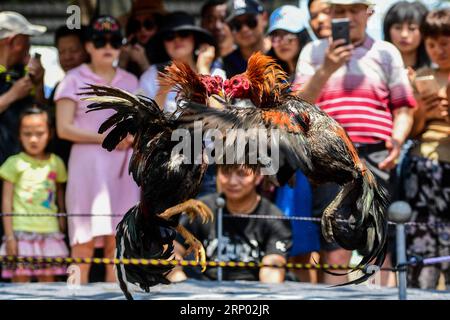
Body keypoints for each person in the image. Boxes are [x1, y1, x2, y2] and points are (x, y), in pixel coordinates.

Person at [295, 0, 416, 285]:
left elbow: (404, 107)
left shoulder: (386, 52)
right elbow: (298, 106)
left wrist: (397, 141)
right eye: (339, 11)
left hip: (378, 154)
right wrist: (326, 67)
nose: (347, 17)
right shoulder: (313, 52)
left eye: (354, 10)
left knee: (378, 237)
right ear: (330, 14)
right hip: (329, 157)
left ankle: (382, 296)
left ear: (368, 12)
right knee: (334, 237)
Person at [54, 15, 140, 284]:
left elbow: (138, 127)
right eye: (99, 40)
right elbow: (63, 129)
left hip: (122, 173)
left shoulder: (131, 81)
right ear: (88, 46)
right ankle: (72, 295)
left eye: (114, 41)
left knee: (119, 248)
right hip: (87, 172)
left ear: (121, 45)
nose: (107, 46)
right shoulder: (72, 79)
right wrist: (106, 137)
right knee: (82, 245)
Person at [169, 165, 292, 283]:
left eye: (242, 174)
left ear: (258, 176)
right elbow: (173, 248)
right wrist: (181, 281)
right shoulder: (201, 210)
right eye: (226, 173)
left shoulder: (274, 218)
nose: (232, 181)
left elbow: (273, 269)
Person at [404, 8, 450, 289]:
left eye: (444, 44)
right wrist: (423, 110)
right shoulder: (421, 76)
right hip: (423, 166)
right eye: (431, 45)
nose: (438, 51)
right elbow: (414, 130)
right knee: (421, 244)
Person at [0, 107, 68, 283]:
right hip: (21, 232)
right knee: (20, 285)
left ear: (50, 133)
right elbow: (6, 202)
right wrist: (9, 237)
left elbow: (60, 192)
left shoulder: (56, 163)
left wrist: (62, 219)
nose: (33, 139)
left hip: (50, 232)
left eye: (39, 133)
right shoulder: (14, 163)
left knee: (47, 284)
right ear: (18, 135)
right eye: (27, 133)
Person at [140, 11, 216, 113]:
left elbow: (221, 116)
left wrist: (203, 69)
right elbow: (144, 121)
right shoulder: (151, 76)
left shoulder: (214, 72)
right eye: (169, 36)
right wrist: (164, 88)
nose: (177, 40)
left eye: (183, 34)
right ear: (163, 44)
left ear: (194, 38)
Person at [0, 11, 47, 166]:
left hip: (21, 169)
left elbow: (39, 112)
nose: (29, 46)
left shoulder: (23, 73)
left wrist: (39, 83)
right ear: (12, 41)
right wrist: (12, 95)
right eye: (26, 40)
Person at [47, 25, 88, 166]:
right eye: (62, 52)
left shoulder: (101, 89)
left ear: (88, 49)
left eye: (73, 50)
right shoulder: (60, 87)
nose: (67, 57)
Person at [215, 0, 268, 78]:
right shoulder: (223, 65)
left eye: (250, 21)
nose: (244, 29)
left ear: (264, 18)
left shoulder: (283, 55)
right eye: (236, 25)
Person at [119, 0, 166, 77]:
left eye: (148, 24)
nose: (142, 29)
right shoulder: (127, 50)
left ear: (159, 25)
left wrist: (143, 63)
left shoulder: (169, 50)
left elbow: (159, 88)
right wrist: (122, 61)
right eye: (136, 25)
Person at [383, 1, 430, 71]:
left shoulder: (437, 70)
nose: (404, 35)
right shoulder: (377, 69)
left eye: (412, 28)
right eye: (398, 27)